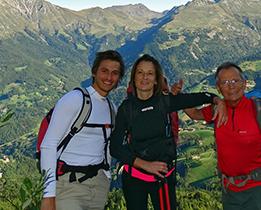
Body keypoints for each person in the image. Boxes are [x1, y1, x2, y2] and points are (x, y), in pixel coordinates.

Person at [110, 54, 227, 210]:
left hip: (162, 179)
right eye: (140, 72)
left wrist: (217, 100)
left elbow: (196, 98)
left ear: (157, 79)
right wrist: (146, 165)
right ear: (134, 78)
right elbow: (115, 147)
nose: (145, 77)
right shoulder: (126, 109)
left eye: (150, 73)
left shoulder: (165, 101)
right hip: (134, 178)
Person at [183, 62, 261, 210]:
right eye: (225, 83)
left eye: (235, 81)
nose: (231, 86)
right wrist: (178, 96)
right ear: (218, 89)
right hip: (229, 191)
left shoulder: (259, 111)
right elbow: (192, 113)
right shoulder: (217, 111)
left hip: (259, 188)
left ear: (244, 83)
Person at [40, 50, 126, 210]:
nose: (109, 77)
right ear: (94, 72)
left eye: (115, 73)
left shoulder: (112, 109)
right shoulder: (75, 99)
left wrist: (106, 176)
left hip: (98, 186)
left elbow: (105, 144)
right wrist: (48, 195)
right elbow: (48, 145)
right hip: (69, 184)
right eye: (104, 71)